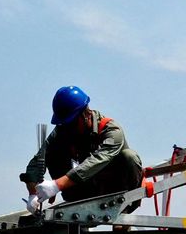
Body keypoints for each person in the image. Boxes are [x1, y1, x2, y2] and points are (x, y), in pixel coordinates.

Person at [20, 86, 142, 214]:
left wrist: (56, 185)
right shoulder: (63, 131)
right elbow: (38, 160)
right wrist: (33, 194)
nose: (66, 128)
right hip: (86, 190)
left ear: (85, 114)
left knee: (129, 156)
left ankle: (124, 209)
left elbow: (97, 161)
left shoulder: (111, 130)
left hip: (113, 188)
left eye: (70, 123)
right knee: (54, 152)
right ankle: (74, 206)